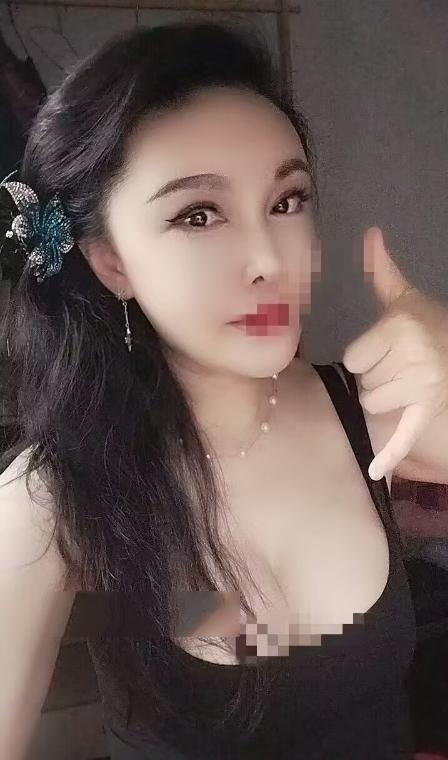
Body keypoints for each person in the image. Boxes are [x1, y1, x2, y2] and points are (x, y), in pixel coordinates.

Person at [0, 21, 417, 760]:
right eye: (198, 215)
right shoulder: (54, 498)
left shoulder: (377, 411)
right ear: (110, 263)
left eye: (287, 200)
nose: (268, 260)